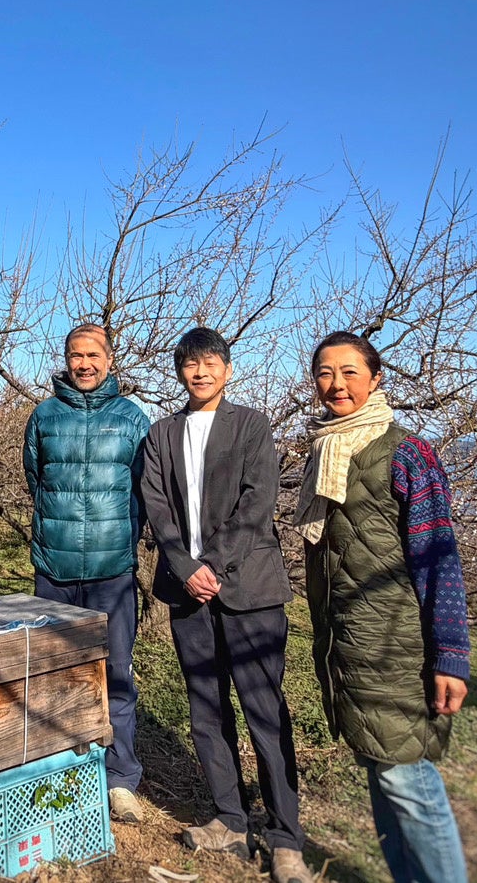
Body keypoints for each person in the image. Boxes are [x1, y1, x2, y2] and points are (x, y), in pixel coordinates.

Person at [293, 330, 471, 883]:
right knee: (380, 773)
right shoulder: (326, 451)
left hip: (396, 645)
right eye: (325, 372)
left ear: (375, 378)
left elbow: (437, 556)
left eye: (349, 371)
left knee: (406, 782)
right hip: (351, 643)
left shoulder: (406, 453)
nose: (336, 383)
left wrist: (450, 655)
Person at [141, 327, 312, 883]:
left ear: (227, 369)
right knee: (206, 711)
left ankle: (286, 836)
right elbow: (156, 504)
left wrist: (212, 564)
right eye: (190, 365)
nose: (200, 373)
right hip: (188, 592)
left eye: (210, 363)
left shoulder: (252, 425)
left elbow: (258, 501)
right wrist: (185, 567)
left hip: (249, 591)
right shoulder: (162, 433)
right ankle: (230, 821)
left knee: (265, 711)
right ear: (179, 371)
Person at [23, 322, 149, 824]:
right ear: (66, 360)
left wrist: (119, 538)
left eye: (94, 354)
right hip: (53, 569)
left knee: (115, 674)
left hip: (111, 571)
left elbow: (145, 490)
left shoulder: (133, 419)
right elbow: (36, 478)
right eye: (76, 355)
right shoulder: (44, 415)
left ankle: (120, 778)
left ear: (110, 359)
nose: (85, 364)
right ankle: (58, 771)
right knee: (53, 674)